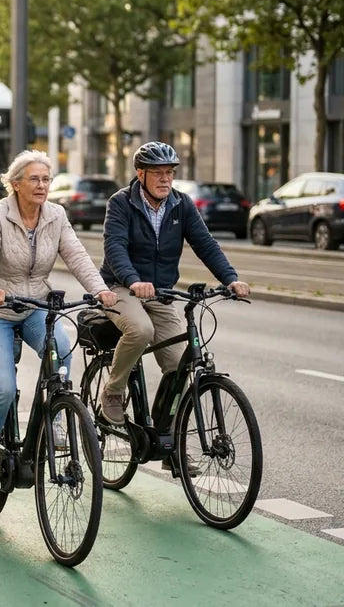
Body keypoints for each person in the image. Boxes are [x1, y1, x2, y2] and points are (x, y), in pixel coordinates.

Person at [0, 150, 118, 504]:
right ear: (15, 184)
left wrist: (100, 290)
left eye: (46, 179)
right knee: (3, 388)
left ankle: (57, 416)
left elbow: (76, 255)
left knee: (63, 351)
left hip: (35, 306)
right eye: (34, 179)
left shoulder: (56, 215)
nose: (42, 186)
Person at [97, 142, 249, 469]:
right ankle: (113, 392)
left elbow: (205, 244)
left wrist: (230, 279)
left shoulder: (181, 205)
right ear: (141, 174)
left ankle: (169, 443)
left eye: (169, 173)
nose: (165, 179)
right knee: (140, 329)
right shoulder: (121, 203)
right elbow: (115, 247)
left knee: (180, 367)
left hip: (162, 292)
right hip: (121, 286)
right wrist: (132, 279)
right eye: (158, 173)